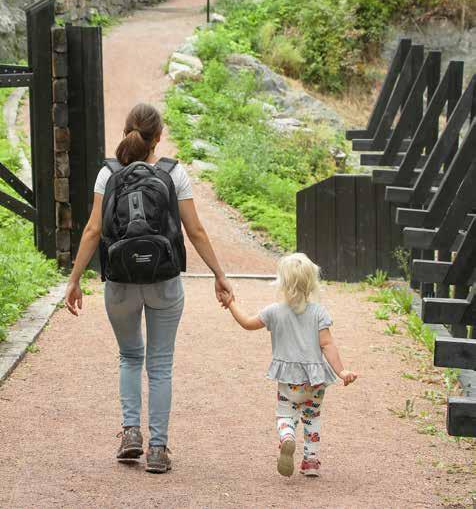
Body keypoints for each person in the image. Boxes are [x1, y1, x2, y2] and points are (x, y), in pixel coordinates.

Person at [64, 103, 233, 474]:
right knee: (160, 365)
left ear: (126, 132)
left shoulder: (107, 174)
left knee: (129, 357)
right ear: (158, 138)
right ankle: (157, 449)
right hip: (164, 281)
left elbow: (93, 231)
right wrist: (220, 275)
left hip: (121, 281)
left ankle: (130, 435)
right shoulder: (174, 173)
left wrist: (74, 280)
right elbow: (196, 230)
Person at [225, 252, 356, 478]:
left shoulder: (274, 311)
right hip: (315, 381)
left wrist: (231, 303)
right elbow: (327, 344)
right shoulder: (318, 312)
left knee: (286, 414)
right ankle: (311, 461)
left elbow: (247, 323)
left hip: (289, 381)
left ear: (282, 282)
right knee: (312, 418)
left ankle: (287, 436)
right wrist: (341, 370)